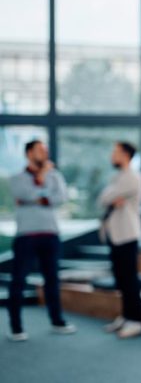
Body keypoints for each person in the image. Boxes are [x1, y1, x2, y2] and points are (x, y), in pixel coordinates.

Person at [7, 140, 76, 342]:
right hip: (26, 236)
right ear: (29, 153)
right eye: (40, 150)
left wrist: (39, 196)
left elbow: (60, 198)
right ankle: (16, 327)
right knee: (18, 281)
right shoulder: (17, 178)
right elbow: (25, 194)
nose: (44, 153)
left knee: (52, 280)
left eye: (45, 150)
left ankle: (57, 321)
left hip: (50, 235)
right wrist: (43, 183)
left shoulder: (55, 176)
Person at [97, 141, 141, 339]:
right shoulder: (117, 177)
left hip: (127, 234)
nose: (112, 155)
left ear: (126, 155)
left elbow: (105, 198)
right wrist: (111, 197)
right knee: (121, 279)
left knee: (130, 279)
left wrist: (111, 197)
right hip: (115, 234)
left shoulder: (133, 176)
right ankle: (126, 316)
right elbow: (102, 198)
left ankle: (136, 321)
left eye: (115, 152)